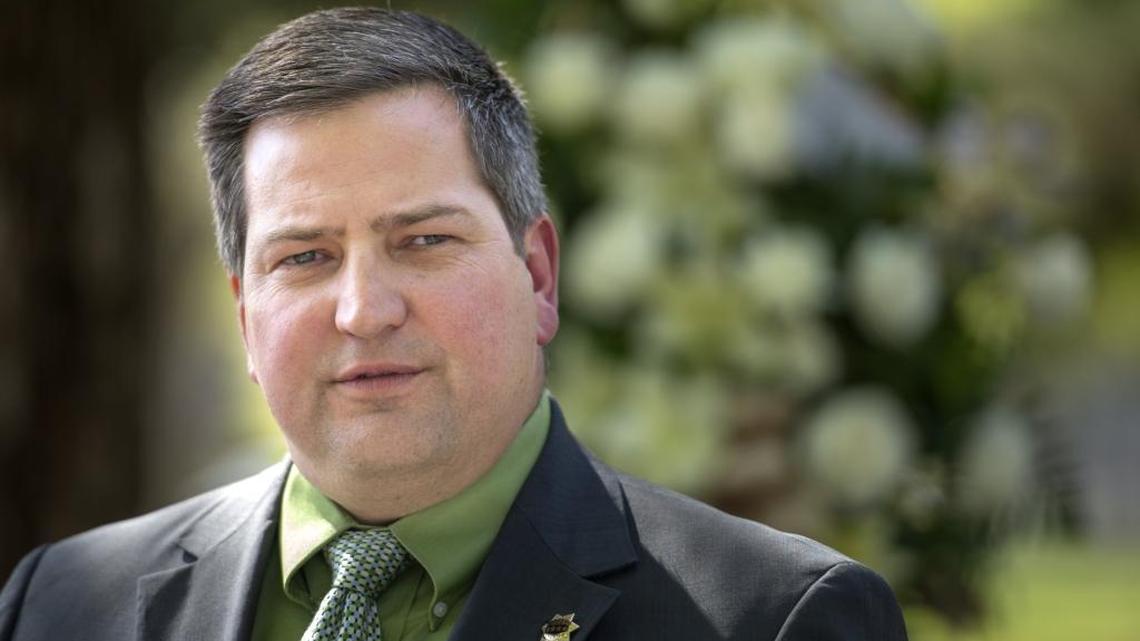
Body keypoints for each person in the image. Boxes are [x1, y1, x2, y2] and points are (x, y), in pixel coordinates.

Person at [0, 8, 908, 641]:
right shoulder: (61, 604)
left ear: (538, 274)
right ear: (245, 316)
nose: (363, 310)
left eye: (423, 240)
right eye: (304, 257)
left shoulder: (775, 618)